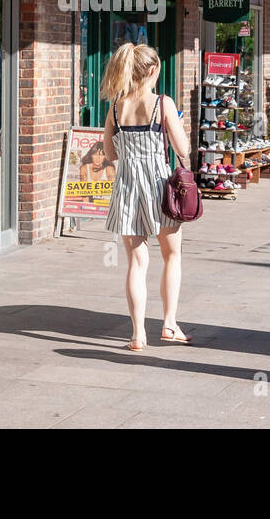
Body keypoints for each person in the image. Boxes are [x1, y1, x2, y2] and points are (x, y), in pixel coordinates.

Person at [100, 42, 192, 351]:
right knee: (172, 255)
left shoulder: (115, 106)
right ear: (152, 71)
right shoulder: (162, 103)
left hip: (127, 186)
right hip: (159, 185)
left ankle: (138, 334)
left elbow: (110, 153)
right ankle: (169, 324)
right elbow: (183, 150)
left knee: (136, 263)